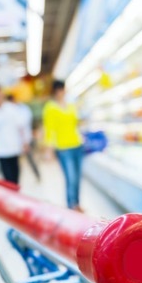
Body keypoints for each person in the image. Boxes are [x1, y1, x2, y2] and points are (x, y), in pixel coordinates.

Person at [43, 80, 84, 210]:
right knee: (70, 177)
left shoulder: (71, 106)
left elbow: (76, 123)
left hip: (77, 144)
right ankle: (71, 206)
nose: (61, 92)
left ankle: (77, 203)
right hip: (63, 148)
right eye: (59, 90)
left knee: (77, 178)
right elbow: (49, 130)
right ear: (55, 91)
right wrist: (49, 150)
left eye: (63, 89)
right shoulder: (50, 108)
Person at [0, 85, 29, 185]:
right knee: (7, 178)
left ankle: (16, 195)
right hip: (0, 150)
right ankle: (11, 196)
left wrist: (24, 142)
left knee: (16, 175)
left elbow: (20, 127)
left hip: (14, 147)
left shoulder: (11, 108)